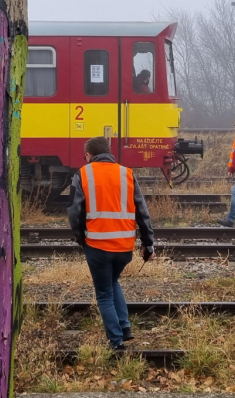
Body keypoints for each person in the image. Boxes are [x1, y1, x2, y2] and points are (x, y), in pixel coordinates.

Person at [67, 136, 155, 351]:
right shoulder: (127, 173)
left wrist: (81, 239)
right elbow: (142, 211)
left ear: (89, 155)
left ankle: (115, 342)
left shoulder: (83, 174)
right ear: (108, 152)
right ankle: (125, 327)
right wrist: (147, 243)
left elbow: (74, 212)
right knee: (113, 282)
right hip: (125, 247)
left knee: (104, 293)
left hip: (97, 245)